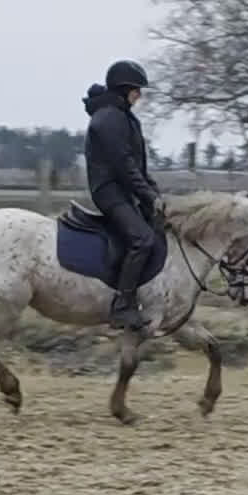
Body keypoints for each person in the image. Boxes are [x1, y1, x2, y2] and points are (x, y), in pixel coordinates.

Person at [83, 60, 162, 329]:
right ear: (124, 89)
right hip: (109, 191)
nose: (139, 95)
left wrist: (154, 193)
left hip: (121, 189)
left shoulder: (120, 116)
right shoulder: (109, 118)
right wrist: (149, 197)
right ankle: (122, 305)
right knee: (142, 239)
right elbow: (124, 165)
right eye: (137, 90)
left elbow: (138, 167)